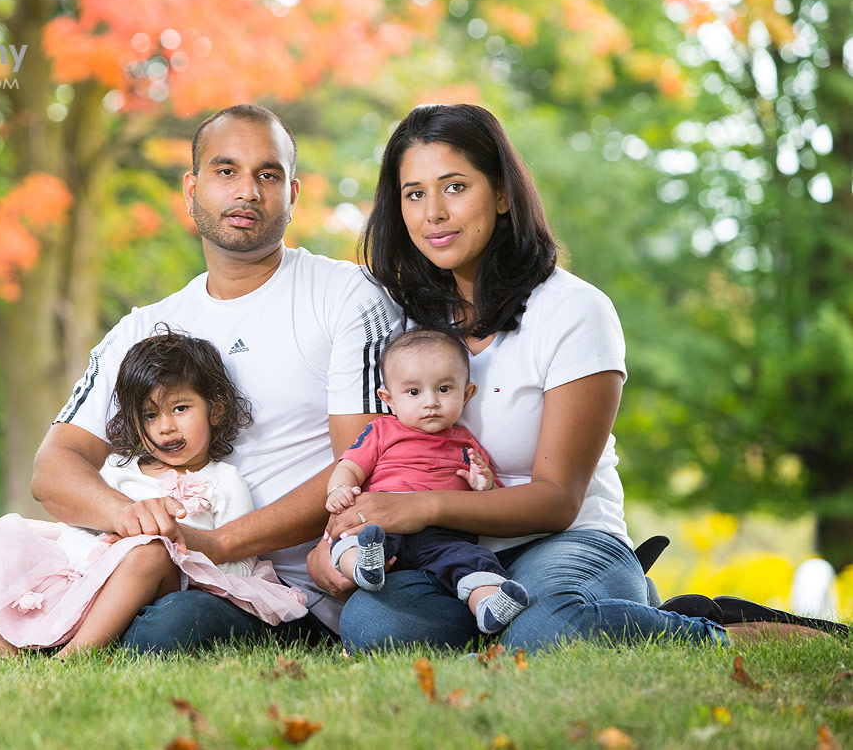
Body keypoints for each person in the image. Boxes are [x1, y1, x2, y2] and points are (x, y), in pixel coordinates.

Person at [0, 104, 401, 654]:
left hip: (274, 584)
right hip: (125, 560)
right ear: (191, 189)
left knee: (170, 628)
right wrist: (126, 516)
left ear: (292, 194)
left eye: (267, 175)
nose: (247, 191)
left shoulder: (348, 296)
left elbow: (365, 463)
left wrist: (217, 543)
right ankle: (85, 626)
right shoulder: (143, 328)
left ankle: (77, 640)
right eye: (226, 171)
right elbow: (54, 467)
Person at [307, 103, 732, 652]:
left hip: (565, 540)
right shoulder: (406, 326)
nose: (433, 212)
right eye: (414, 194)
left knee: (546, 628)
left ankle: (700, 628)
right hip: (445, 553)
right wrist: (330, 545)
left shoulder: (573, 310)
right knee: (377, 625)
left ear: (503, 194)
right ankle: (509, 627)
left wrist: (422, 507)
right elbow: (371, 460)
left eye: (454, 186)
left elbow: (558, 500)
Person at [0, 330, 308, 656]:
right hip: (93, 572)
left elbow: (240, 566)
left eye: (180, 409)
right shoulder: (117, 469)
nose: (165, 426)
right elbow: (78, 530)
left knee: (149, 552)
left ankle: (74, 657)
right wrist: (102, 548)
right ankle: (7, 656)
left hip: (170, 581)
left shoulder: (224, 480)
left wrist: (177, 550)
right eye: (149, 415)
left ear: (214, 410)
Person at [326, 327, 529, 634]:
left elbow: (492, 500)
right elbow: (350, 466)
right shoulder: (382, 430)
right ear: (388, 399)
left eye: (444, 389)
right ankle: (365, 566)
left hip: (444, 535)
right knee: (353, 539)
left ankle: (488, 604)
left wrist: (483, 484)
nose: (431, 402)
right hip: (385, 523)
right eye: (413, 392)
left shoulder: (467, 444)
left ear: (467, 393)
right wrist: (339, 490)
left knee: (473, 561)